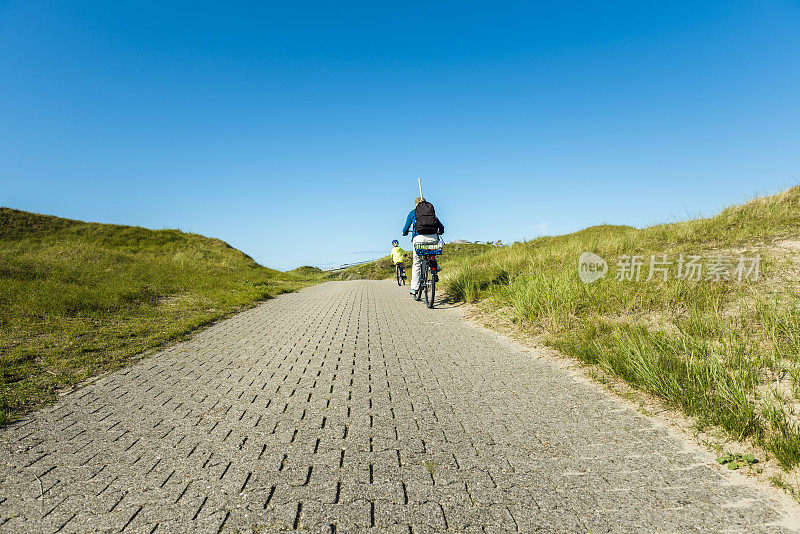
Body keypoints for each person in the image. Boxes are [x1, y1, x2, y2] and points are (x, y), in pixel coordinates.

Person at [402, 196, 445, 295]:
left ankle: (414, 288)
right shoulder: (430, 212)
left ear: (415, 205)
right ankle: (434, 267)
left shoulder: (412, 213)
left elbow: (406, 228)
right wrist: (440, 232)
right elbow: (441, 226)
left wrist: (405, 233)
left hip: (419, 239)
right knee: (432, 252)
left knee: (417, 262)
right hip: (433, 238)